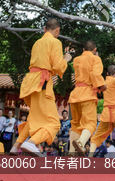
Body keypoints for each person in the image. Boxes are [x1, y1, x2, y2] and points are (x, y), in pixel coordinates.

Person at [15, 19, 72, 156]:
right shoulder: (55, 42)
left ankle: (15, 146)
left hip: (31, 82)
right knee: (54, 123)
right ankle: (31, 142)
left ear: (44, 29)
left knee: (34, 118)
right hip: (42, 83)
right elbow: (57, 66)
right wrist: (67, 59)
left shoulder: (37, 42)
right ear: (57, 30)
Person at [68, 40, 106, 155]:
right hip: (87, 94)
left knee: (75, 124)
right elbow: (95, 74)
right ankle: (80, 142)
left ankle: (71, 151)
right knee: (90, 124)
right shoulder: (95, 59)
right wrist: (101, 86)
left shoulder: (76, 59)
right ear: (95, 50)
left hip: (75, 94)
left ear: (83, 50)